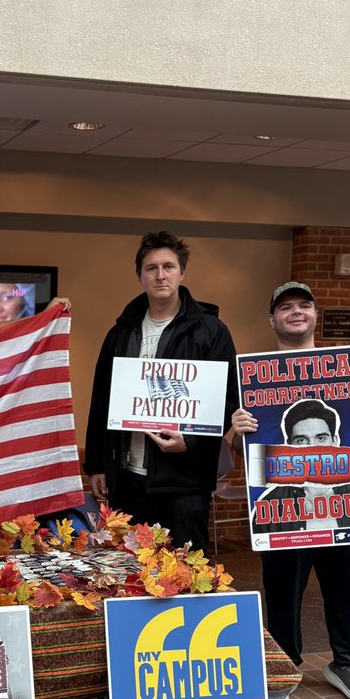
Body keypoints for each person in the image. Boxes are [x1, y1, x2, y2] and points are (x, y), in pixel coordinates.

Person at [232, 281, 350, 699]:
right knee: (282, 589)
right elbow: (239, 453)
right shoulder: (253, 379)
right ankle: (284, 665)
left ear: (315, 315)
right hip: (285, 517)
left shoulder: (347, 374)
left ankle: (347, 664)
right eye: (285, 307)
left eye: (304, 305)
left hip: (346, 513)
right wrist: (236, 431)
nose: (295, 312)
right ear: (272, 319)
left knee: (348, 585)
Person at [84, 230, 238, 552]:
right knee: (130, 566)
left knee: (186, 567)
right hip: (127, 477)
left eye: (168, 266)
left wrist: (190, 443)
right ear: (140, 276)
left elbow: (228, 401)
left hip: (183, 482)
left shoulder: (211, 331)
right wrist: (96, 464)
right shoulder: (120, 332)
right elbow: (102, 399)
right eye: (151, 268)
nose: (160, 275)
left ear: (182, 273)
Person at [250, 397, 350, 535]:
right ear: (289, 445)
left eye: (321, 438)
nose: (312, 447)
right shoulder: (270, 504)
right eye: (301, 440)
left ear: (335, 441)